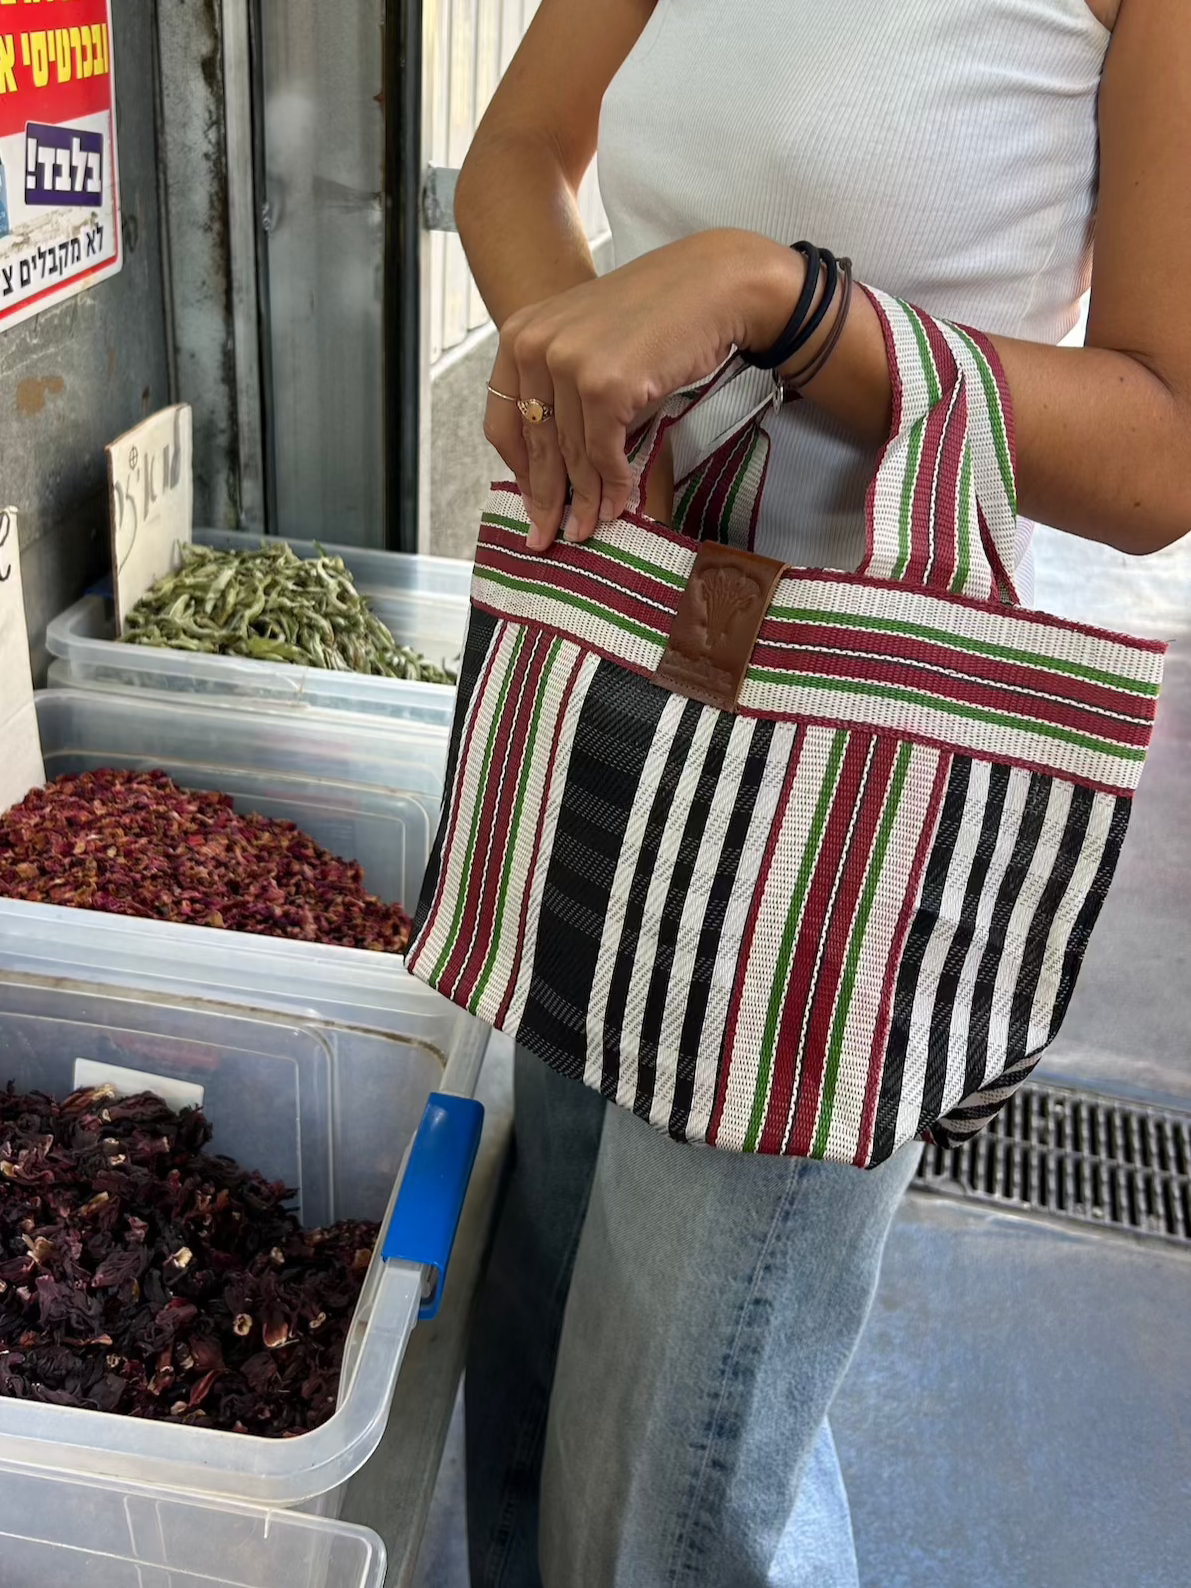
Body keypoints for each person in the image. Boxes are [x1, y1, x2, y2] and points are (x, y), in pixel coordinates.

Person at [453, 1, 1190, 1583]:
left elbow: (1162, 449)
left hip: (861, 762)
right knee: (543, 1298)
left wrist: (770, 297)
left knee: (681, 1448)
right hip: (626, 641)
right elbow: (514, 151)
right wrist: (574, 365)